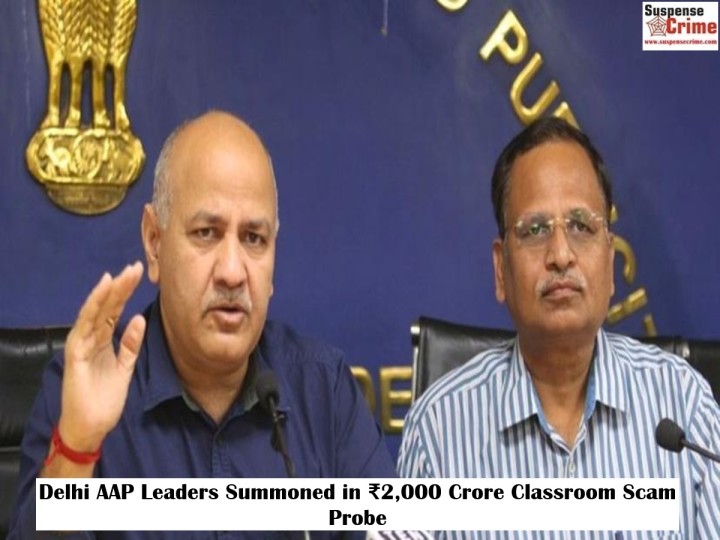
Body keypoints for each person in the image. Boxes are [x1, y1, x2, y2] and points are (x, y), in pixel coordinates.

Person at [10, 111, 395, 539]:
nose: (232, 272)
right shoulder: (86, 391)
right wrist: (77, 451)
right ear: (154, 242)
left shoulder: (323, 391)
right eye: (207, 233)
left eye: (253, 239)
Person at [397, 117, 720, 539]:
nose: (561, 254)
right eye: (535, 230)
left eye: (581, 226)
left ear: (610, 259)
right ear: (501, 269)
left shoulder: (683, 404)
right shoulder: (438, 429)